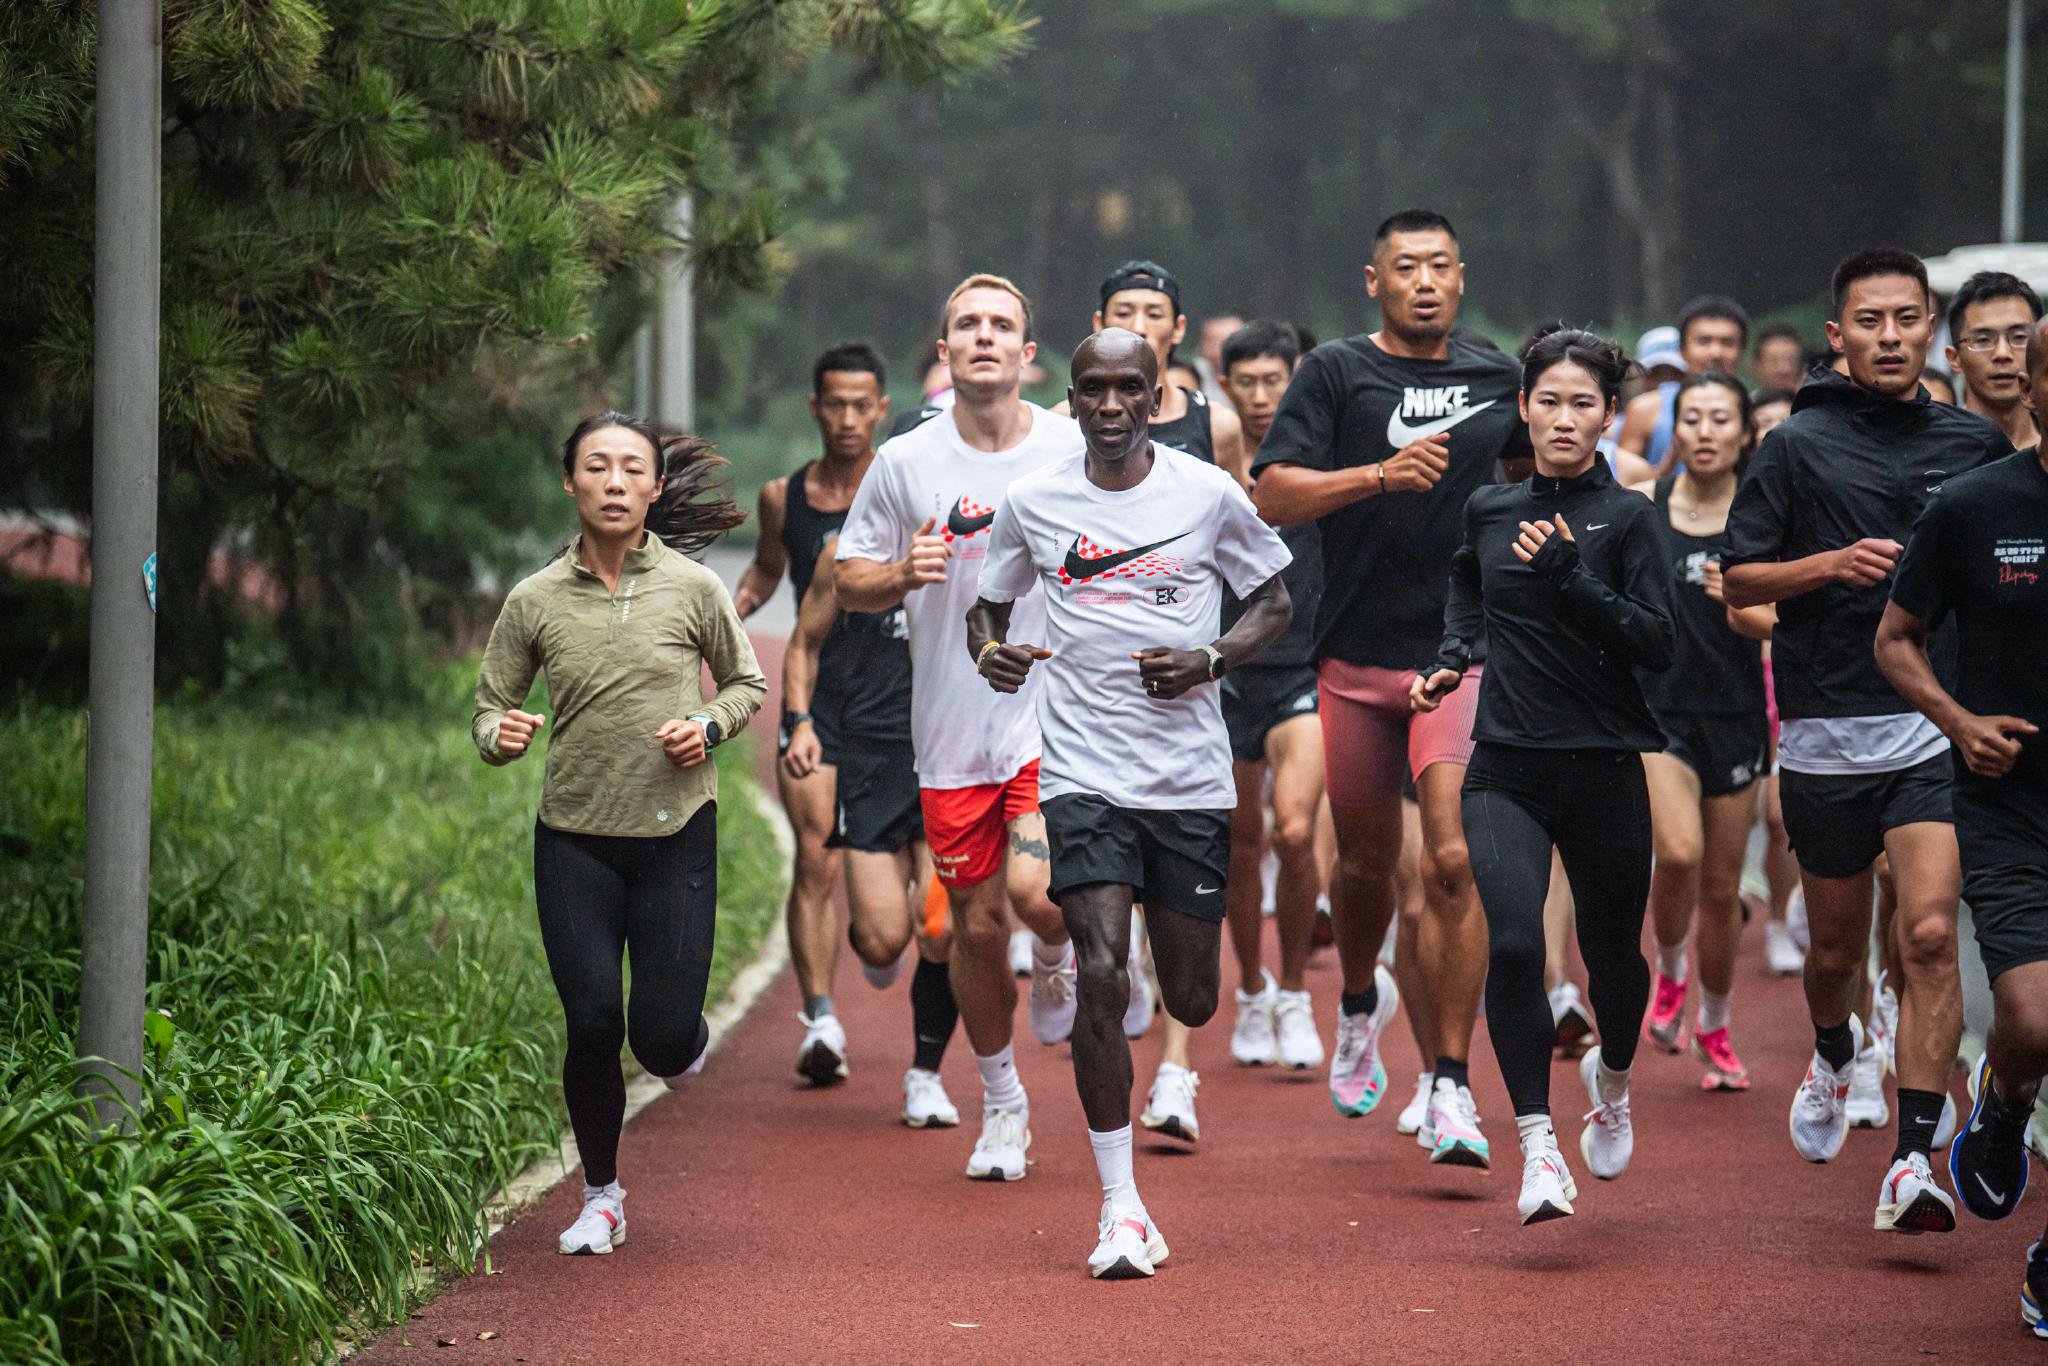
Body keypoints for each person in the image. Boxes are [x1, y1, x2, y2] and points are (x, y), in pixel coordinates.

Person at [969, 328, 1294, 1279]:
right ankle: (1121, 1208)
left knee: (1192, 993)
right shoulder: (1033, 503)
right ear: (1070, 400)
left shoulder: (1205, 494)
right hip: (1083, 778)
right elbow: (990, 606)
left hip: (1190, 783)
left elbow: (1274, 600)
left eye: (1128, 390)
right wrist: (990, 649)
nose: (1110, 406)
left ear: (1158, 398)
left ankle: (1147, 975)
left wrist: (1211, 657)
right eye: (1092, 391)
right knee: (1103, 970)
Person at [1724, 247, 2014, 1234]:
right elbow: (1736, 580)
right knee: (1835, 947)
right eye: (1869, 321)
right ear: (1835, 336)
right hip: (1822, 725)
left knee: (1928, 931)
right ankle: (1832, 1045)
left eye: (1905, 319)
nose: (1889, 337)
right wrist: (1828, 564)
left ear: (1928, 330)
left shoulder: (1972, 446)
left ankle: (1908, 1160)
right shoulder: (1794, 448)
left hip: (1929, 724)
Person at [1253, 209, 1534, 1171]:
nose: (1424, 281)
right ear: (1373, 281)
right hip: (1352, 660)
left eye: (1440, 267)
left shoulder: (1503, 379)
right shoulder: (1334, 373)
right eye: (1404, 267)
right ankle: (1360, 999)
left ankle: (1451, 1082)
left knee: (1450, 862)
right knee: (1368, 873)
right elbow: (1274, 494)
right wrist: (1376, 476)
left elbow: (1544, 477)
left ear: (1462, 278)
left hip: (1460, 658)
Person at [472, 412, 766, 1255]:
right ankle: (602, 1194)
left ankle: (687, 1037)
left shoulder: (692, 588)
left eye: (630, 468)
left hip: (676, 834)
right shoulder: (534, 598)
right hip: (574, 840)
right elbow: (491, 708)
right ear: (571, 483)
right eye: (595, 467)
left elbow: (745, 682)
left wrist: (706, 726)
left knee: (664, 1041)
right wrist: (502, 737)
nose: (612, 482)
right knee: (594, 1021)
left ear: (654, 487)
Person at [1414, 327, 1675, 1224]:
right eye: (1549, 401)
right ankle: (1537, 1146)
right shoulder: (1490, 509)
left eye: (1584, 404)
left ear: (1609, 415)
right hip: (1506, 771)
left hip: (1604, 771)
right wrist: (1453, 655)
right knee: (1518, 945)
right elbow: (1464, 581)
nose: (1566, 419)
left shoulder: (1633, 517)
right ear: (1524, 406)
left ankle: (1614, 1075)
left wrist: (1574, 579)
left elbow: (1658, 642)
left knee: (1613, 965)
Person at [836, 273, 1081, 1182]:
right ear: (944, 354)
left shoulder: (1068, 447)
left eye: (1001, 325)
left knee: (1038, 894)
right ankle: (1003, 1102)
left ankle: (1056, 951)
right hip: (947, 730)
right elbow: (846, 578)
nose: (983, 337)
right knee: (973, 930)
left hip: (1051, 716)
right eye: (966, 326)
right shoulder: (906, 463)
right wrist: (903, 572)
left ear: (1028, 352)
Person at [1877, 314, 2048, 1329]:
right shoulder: (1972, 505)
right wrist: (1955, 719)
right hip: (2008, 800)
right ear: (2028, 386)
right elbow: (1894, 639)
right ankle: (2001, 1099)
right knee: (2030, 1018)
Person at [729, 344, 892, 1085]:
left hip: (898, 699)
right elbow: (766, 568)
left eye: (863, 404)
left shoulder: (902, 492)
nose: (850, 418)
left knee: (891, 897)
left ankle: (876, 936)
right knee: (816, 850)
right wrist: (727, 614)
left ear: (881, 408)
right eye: (836, 403)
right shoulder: (780, 498)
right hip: (817, 692)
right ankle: (821, 1019)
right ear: (815, 408)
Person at [782, 508, 959, 1126]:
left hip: (948, 759)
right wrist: (799, 723)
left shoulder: (975, 542)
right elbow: (804, 643)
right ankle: (874, 945)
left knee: (938, 931)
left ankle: (926, 1075)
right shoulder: (844, 556)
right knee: (884, 941)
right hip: (871, 760)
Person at [1627, 373, 1775, 1090]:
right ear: (1674, 431)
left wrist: (1747, 606)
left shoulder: (1760, 520)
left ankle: (1714, 1024)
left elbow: (1789, 623)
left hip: (1738, 718)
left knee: (1722, 890)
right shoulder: (1642, 512)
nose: (1707, 431)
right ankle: (1671, 967)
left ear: (1746, 433)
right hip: (1659, 715)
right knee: (1677, 854)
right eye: (1694, 418)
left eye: (1722, 418)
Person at [1217, 320, 1328, 1073]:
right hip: (1223, 676)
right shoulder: (1203, 471)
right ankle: (1251, 989)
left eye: (1274, 381)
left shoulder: (1321, 466)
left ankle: (1294, 989)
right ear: (1226, 388)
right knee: (1236, 842)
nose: (1261, 397)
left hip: (1303, 672)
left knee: (1293, 831)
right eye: (1247, 382)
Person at [1614, 297, 1750, 482]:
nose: (1715, 352)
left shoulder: (1755, 411)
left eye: (1727, 343)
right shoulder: (1645, 410)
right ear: (1681, 349)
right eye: (1704, 341)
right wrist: (1665, 470)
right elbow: (1622, 486)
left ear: (1741, 350)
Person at [1944, 271, 2044, 453]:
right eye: (1983, 340)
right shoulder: (1936, 455)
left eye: (2019, 337)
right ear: (1954, 358)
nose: (2002, 353)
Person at [1752, 324, 1808, 394]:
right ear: (1756, 366)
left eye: (1792, 361)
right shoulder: (1744, 403)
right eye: (1774, 362)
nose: (1784, 369)